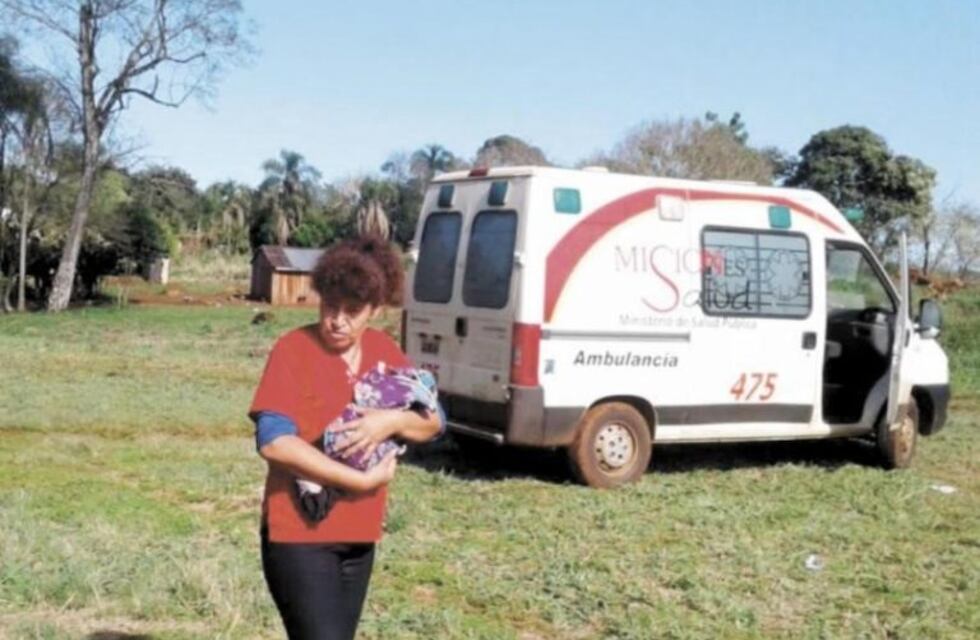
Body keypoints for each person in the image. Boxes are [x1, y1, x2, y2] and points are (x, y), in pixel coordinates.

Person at [249, 235, 443, 640]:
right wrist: (359, 481)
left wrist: (387, 422)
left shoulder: (384, 350)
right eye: (329, 306)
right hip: (299, 534)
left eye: (352, 311)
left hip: (359, 534)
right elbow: (273, 441)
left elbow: (433, 421)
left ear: (375, 310)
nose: (337, 320)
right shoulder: (293, 350)